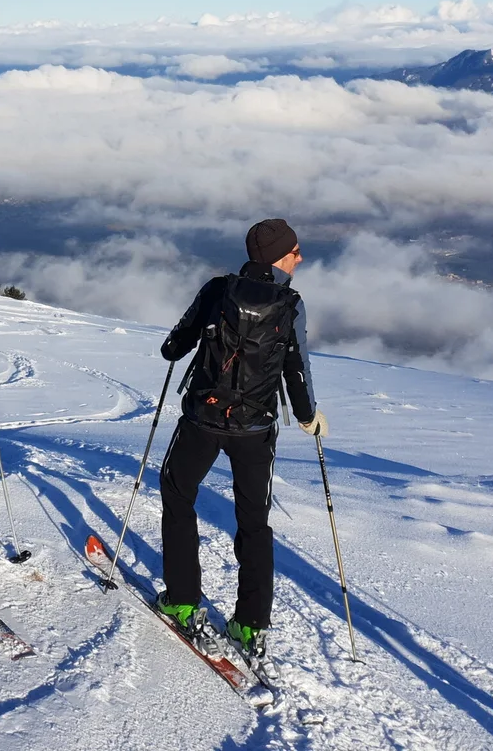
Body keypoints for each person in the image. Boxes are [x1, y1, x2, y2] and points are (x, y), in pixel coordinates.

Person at [155, 217, 325, 661]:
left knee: (177, 493)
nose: (300, 257)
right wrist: (308, 418)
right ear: (278, 258)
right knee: (254, 521)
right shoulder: (291, 305)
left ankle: (182, 599)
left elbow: (174, 346)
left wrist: (183, 345)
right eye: (295, 251)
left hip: (202, 420)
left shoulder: (217, 289)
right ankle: (251, 624)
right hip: (255, 428)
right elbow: (297, 369)